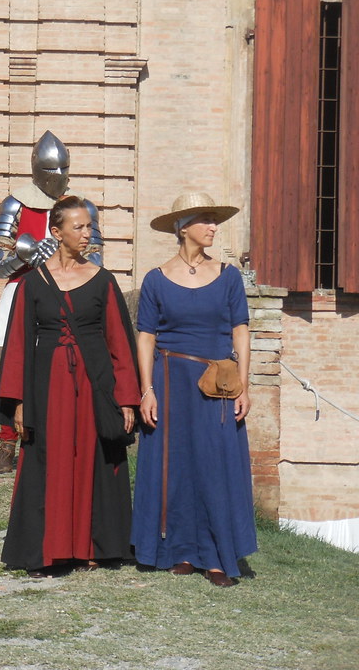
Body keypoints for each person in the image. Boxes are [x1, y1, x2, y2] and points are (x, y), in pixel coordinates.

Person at [0, 196, 138, 577]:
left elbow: (120, 344)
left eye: (89, 226)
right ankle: (46, 549)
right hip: (47, 386)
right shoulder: (32, 283)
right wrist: (19, 402)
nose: (87, 233)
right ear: (56, 233)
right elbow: (20, 344)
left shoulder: (103, 281)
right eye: (79, 226)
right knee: (47, 462)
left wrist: (126, 399)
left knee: (92, 460)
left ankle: (91, 546)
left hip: (94, 385)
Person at [132, 193, 256, 588]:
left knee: (214, 465)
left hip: (216, 385)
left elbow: (241, 331)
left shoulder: (229, 276)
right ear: (182, 227)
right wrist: (146, 389)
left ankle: (217, 556)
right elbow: (146, 337)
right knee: (177, 464)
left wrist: (245, 386)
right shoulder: (155, 279)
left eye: (214, 220)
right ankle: (179, 550)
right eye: (205, 220)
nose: (213, 227)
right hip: (170, 384)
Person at [0, 132, 104, 473]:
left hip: (69, 290)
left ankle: (60, 432)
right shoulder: (16, 203)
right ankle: (8, 440)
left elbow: (96, 262)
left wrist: (60, 255)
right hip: (24, 288)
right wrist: (27, 255)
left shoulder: (80, 208)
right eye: (51, 170)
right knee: (14, 365)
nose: (58, 176)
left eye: (62, 169)